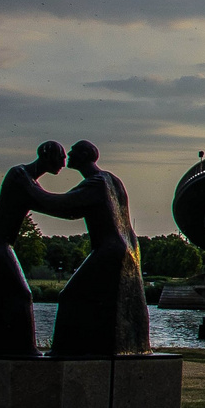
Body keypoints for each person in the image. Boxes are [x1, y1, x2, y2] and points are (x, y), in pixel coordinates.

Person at [28, 140, 150, 356]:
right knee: (111, 304)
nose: (68, 157)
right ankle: (109, 346)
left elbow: (64, 206)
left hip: (109, 251)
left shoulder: (95, 183)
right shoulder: (112, 180)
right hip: (129, 249)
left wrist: (29, 191)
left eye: (73, 153)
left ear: (83, 156)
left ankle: (66, 352)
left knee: (71, 297)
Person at [0, 141, 65, 356]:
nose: (64, 163)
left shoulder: (28, 178)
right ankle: (25, 350)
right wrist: (82, 204)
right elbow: (46, 202)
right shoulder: (20, 176)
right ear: (47, 156)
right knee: (22, 294)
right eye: (61, 157)